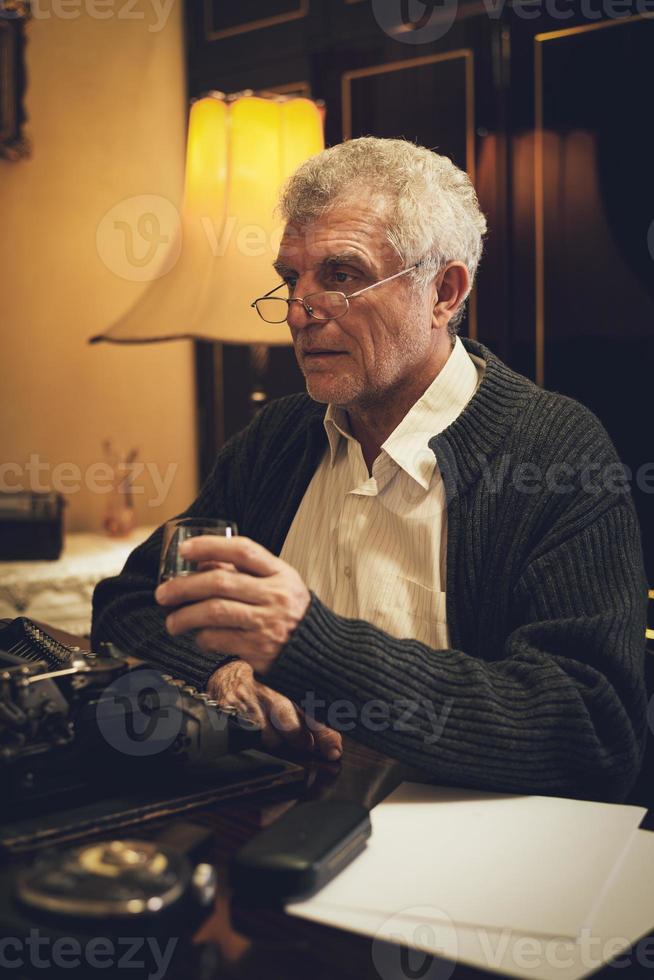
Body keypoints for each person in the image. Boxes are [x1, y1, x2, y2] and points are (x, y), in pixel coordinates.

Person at [92, 137, 647, 802]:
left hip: (476, 859)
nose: (300, 311)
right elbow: (127, 606)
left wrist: (308, 649)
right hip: (281, 820)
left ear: (444, 291)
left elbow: (594, 733)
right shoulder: (279, 438)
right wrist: (229, 668)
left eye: (342, 276)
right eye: (291, 277)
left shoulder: (553, 453)